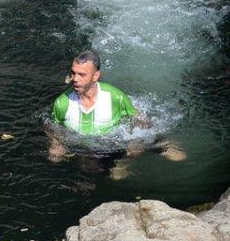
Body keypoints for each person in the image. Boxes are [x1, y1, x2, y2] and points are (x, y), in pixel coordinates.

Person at [47, 49, 186, 168]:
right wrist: (56, 143)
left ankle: (162, 145)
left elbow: (139, 118)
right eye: (73, 73)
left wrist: (136, 141)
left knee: (136, 152)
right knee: (59, 159)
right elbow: (51, 126)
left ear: (96, 76)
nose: (75, 79)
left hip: (115, 144)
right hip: (86, 149)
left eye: (82, 74)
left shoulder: (115, 97)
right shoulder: (62, 103)